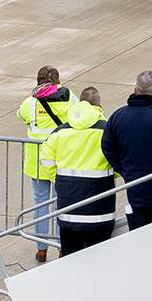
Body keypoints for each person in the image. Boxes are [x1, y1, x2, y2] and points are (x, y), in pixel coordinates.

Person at [101, 70, 152, 231]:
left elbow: (107, 147)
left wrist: (123, 170)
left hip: (137, 186)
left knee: (142, 235)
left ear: (135, 89)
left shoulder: (118, 117)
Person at [44, 86, 115, 254]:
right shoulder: (107, 130)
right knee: (99, 259)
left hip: (68, 207)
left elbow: (46, 159)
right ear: (99, 105)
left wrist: (60, 178)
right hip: (100, 208)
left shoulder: (60, 132)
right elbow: (119, 159)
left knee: (70, 259)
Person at [16, 69, 72, 262]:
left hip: (37, 160)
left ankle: (41, 249)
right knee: (59, 204)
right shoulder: (68, 97)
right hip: (60, 157)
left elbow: (21, 116)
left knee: (40, 203)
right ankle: (61, 246)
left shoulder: (29, 103)